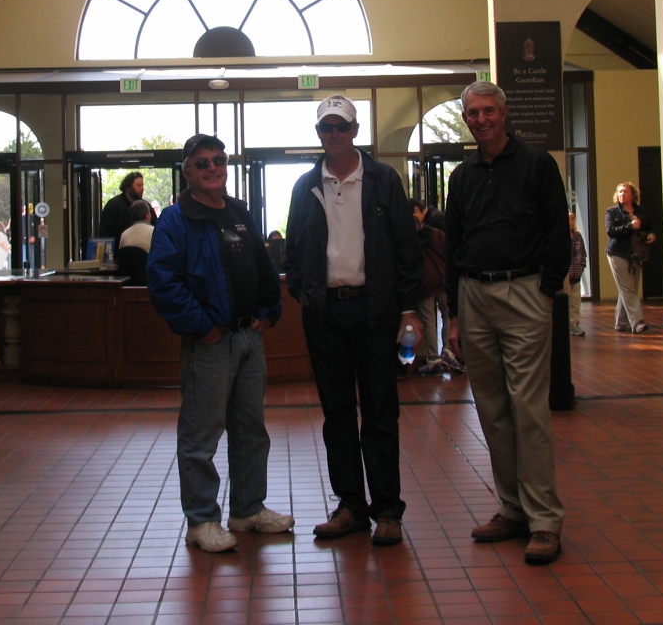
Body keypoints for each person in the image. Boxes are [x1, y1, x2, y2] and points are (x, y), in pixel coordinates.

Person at [284, 95, 424, 546]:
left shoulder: (383, 180)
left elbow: (407, 249)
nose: (333, 135)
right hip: (326, 315)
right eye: (326, 127)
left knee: (381, 412)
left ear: (355, 132)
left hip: (375, 311)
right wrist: (308, 298)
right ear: (318, 133)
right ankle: (350, 506)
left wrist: (408, 310)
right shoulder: (306, 185)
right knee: (337, 414)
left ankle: (387, 510)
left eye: (340, 127)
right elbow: (294, 253)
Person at [146, 133, 293, 553]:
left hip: (249, 339)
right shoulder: (176, 219)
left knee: (251, 430)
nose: (213, 168)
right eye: (203, 163)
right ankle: (201, 521)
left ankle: (247, 510)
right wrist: (202, 327)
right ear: (188, 172)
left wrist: (268, 312)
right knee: (201, 436)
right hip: (210, 343)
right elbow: (163, 281)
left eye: (219, 161)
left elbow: (263, 267)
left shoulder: (238, 211)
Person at [443, 80, 569, 565]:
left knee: (529, 410)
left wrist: (545, 291)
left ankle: (544, 520)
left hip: (524, 292)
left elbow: (557, 231)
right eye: (473, 113)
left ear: (504, 112)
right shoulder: (462, 177)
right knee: (491, 409)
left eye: (488, 111)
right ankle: (513, 509)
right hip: (474, 296)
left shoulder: (537, 165)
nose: (481, 120)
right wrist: (455, 313)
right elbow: (454, 248)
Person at [411, 200, 462, 375]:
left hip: (425, 282)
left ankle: (433, 358)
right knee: (447, 315)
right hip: (443, 278)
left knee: (429, 320)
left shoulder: (412, 239)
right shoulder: (438, 233)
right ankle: (448, 350)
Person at [605, 182, 657, 334]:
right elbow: (610, 231)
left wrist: (652, 234)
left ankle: (621, 323)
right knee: (628, 288)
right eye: (620, 192)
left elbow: (651, 226)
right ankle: (638, 322)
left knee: (629, 288)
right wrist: (630, 226)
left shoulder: (641, 211)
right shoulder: (612, 212)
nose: (622, 194)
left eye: (625, 192)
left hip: (636, 254)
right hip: (617, 253)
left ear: (633, 195)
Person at [100, 172, 157, 251]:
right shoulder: (113, 205)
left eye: (142, 185)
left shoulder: (146, 206)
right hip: (119, 255)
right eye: (138, 185)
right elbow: (105, 234)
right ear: (128, 187)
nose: (142, 188)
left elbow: (156, 226)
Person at [568, 211, 587, 337]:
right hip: (565, 274)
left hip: (577, 273)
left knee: (575, 301)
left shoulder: (578, 236)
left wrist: (581, 266)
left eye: (572, 219)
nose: (570, 222)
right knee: (566, 300)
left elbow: (582, 253)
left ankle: (574, 323)